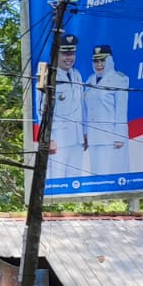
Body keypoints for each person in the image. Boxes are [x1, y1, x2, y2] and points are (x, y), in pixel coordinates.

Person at [45, 33, 89, 179]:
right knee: (57, 180)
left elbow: (81, 107)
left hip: (77, 139)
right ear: (56, 53)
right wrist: (49, 139)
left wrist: (85, 132)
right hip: (59, 141)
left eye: (72, 53)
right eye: (65, 53)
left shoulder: (77, 75)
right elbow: (42, 111)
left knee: (75, 180)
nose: (69, 57)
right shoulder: (48, 76)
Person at [84, 43, 130, 176]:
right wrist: (86, 133)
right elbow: (87, 111)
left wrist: (119, 137)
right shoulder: (90, 80)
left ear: (109, 60)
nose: (99, 65)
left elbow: (121, 110)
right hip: (94, 138)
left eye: (102, 60)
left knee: (113, 176)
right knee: (96, 176)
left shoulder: (119, 79)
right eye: (96, 61)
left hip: (111, 139)